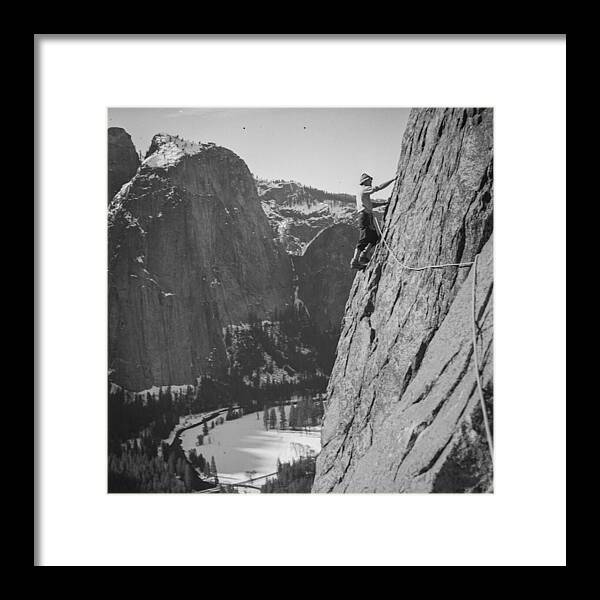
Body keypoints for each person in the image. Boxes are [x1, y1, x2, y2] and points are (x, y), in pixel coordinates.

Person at [350, 172, 397, 269]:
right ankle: (355, 261)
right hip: (365, 217)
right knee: (364, 238)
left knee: (374, 237)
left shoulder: (361, 192)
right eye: (370, 180)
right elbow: (379, 187)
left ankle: (364, 255)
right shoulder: (364, 189)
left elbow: (371, 204)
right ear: (365, 181)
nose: (371, 181)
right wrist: (393, 180)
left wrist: (384, 203)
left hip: (365, 216)